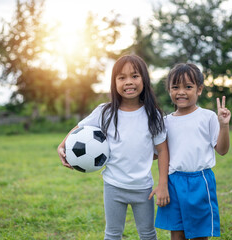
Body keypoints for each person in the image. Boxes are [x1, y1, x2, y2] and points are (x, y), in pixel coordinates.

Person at [57, 55, 170, 240]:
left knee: (148, 234)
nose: (129, 82)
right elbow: (79, 128)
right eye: (122, 77)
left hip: (144, 188)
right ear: (114, 82)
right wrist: (62, 145)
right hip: (113, 186)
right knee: (112, 234)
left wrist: (163, 184)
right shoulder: (105, 112)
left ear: (144, 79)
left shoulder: (153, 115)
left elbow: (163, 150)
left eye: (134, 76)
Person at [155, 63, 231, 240]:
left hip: (200, 181)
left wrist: (224, 125)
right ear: (169, 90)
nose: (181, 92)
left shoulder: (208, 117)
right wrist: (162, 184)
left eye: (188, 87)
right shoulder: (165, 122)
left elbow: (222, 150)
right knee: (177, 234)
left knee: (200, 234)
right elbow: (159, 154)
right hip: (173, 181)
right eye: (175, 87)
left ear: (199, 89)